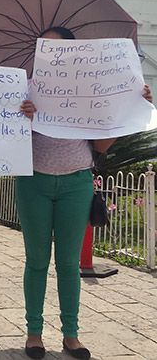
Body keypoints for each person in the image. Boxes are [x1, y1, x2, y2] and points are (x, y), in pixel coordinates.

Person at [17, 26, 153, 360]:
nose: (49, 55)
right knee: (36, 260)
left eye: (57, 49)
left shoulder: (89, 91)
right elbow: (5, 140)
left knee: (67, 262)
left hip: (76, 183)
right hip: (33, 182)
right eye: (44, 49)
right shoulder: (23, 90)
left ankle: (71, 334)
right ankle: (34, 333)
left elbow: (102, 145)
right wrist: (20, 116)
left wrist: (129, 108)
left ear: (73, 55)